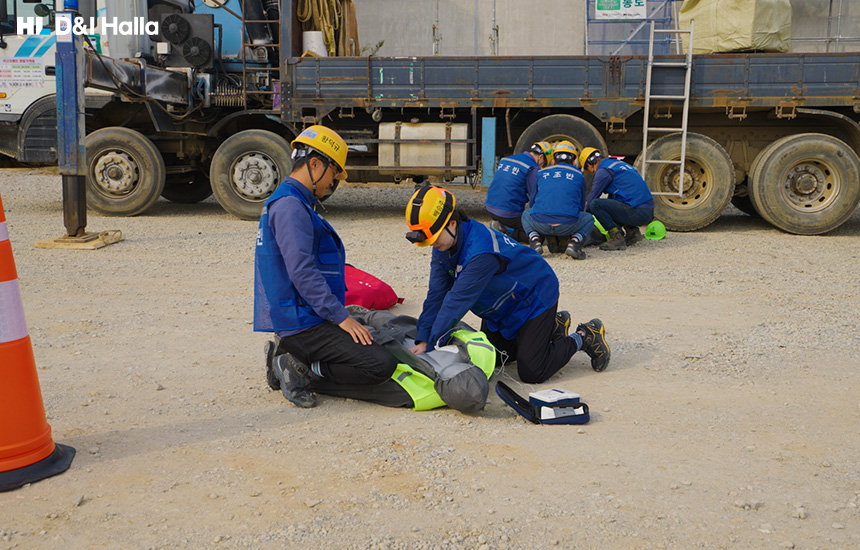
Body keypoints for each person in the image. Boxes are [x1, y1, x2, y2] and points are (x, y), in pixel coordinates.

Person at [405, 184, 610, 384]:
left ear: (452, 223)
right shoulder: (444, 245)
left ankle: (585, 336)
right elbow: (436, 294)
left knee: (532, 371)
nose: (433, 244)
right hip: (502, 305)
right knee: (493, 358)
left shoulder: (480, 252)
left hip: (534, 297)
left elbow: (456, 301)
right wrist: (422, 337)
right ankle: (553, 326)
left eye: (434, 238)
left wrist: (431, 345)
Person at [254, 125, 397, 408]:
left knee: (372, 338)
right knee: (380, 365)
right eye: (333, 173)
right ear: (315, 164)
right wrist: (341, 317)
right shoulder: (290, 207)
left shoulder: (294, 201)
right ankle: (297, 368)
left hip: (306, 315)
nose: (332, 183)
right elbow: (302, 271)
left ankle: (291, 356)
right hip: (303, 322)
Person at [520, 141, 594, 260]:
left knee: (526, 213)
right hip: (567, 225)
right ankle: (574, 243)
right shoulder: (579, 175)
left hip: (541, 224)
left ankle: (535, 240)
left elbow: (532, 202)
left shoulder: (541, 173)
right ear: (574, 161)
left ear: (553, 160)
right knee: (589, 218)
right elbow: (581, 206)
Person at [580, 147, 655, 251]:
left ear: (589, 164)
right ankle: (632, 233)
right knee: (613, 200)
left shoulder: (603, 171)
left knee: (595, 204)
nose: (592, 172)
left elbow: (591, 200)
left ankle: (617, 237)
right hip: (647, 210)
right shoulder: (617, 164)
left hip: (638, 212)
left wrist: (580, 216)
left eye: (589, 170)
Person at [484, 141, 553, 242]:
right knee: (538, 236)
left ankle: (502, 224)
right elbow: (535, 199)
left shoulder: (507, 159)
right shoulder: (532, 168)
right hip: (507, 214)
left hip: (490, 207)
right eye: (544, 163)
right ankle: (505, 228)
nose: (542, 166)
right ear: (541, 157)